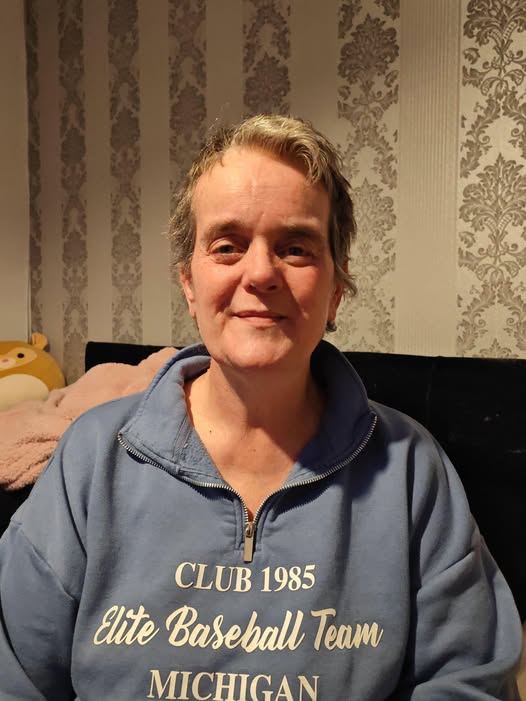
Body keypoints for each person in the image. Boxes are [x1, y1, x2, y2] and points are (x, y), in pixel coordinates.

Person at [0, 114, 522, 700]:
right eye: (227, 246)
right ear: (189, 284)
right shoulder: (92, 458)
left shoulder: (410, 469)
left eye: (295, 248)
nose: (260, 273)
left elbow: (472, 681)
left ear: (336, 290)